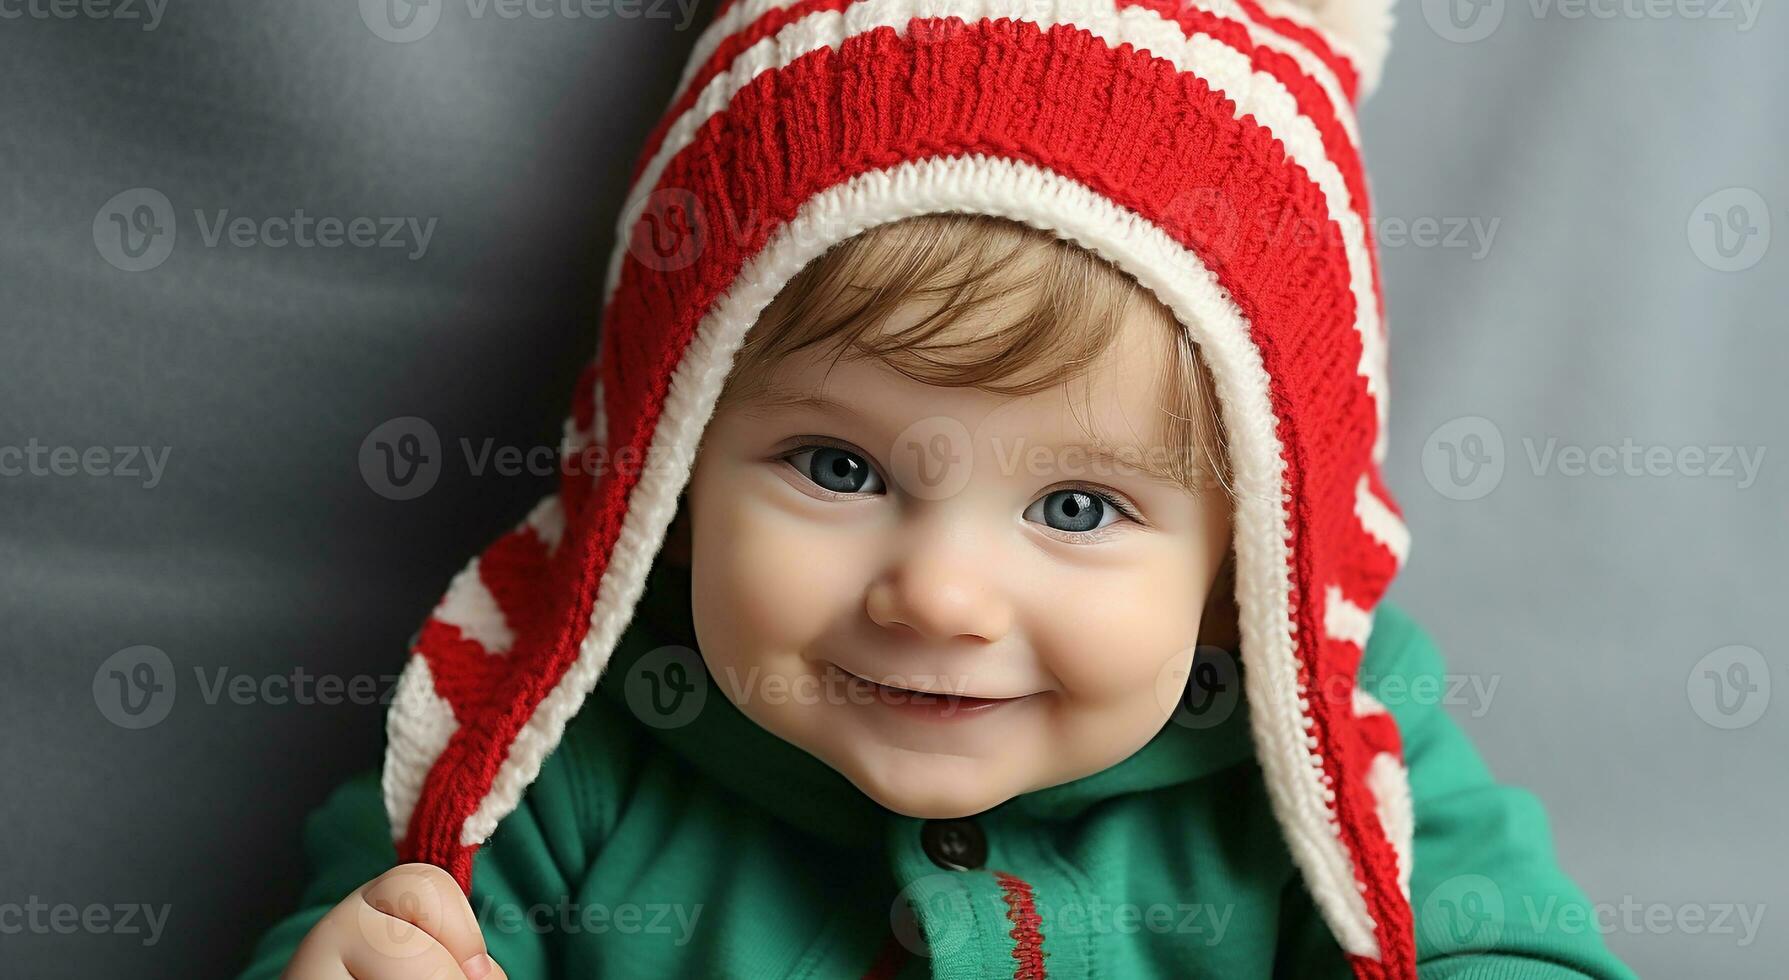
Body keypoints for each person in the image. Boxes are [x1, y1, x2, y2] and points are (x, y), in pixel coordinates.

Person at [243, 1, 1637, 976]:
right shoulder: (542, 746)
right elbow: (374, 923)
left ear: (1252, 558)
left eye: (1078, 508)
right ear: (661, 464)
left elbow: (1507, 946)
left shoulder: (1333, 754)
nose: (941, 595)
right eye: (837, 469)